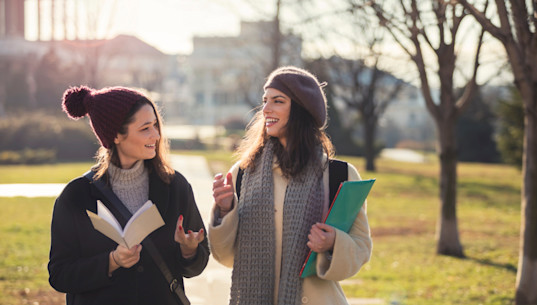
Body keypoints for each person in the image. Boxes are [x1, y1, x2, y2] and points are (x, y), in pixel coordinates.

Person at [209, 66, 372, 305]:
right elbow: (225, 256)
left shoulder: (340, 175)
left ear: (301, 109)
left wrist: (332, 243)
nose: (265, 109)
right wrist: (224, 212)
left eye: (278, 101)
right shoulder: (244, 173)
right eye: (265, 101)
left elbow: (361, 247)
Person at [48, 86, 209, 305]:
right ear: (115, 135)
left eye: (155, 125)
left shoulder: (175, 187)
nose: (156, 135)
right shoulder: (76, 196)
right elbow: (60, 275)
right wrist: (111, 262)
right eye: (145, 128)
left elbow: (196, 265)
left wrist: (189, 250)